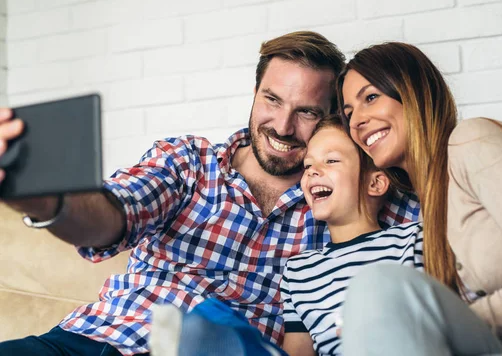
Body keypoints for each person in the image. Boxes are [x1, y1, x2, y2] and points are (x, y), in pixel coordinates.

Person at [0, 32, 421, 356]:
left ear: (331, 119)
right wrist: (43, 200)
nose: (282, 125)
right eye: (272, 100)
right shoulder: (187, 161)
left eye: (307, 111)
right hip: (105, 340)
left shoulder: (349, 193)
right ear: (255, 95)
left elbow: (443, 229)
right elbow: (113, 213)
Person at [336, 42, 502, 355]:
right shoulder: (432, 205)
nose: (356, 121)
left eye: (370, 97)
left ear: (414, 93)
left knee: (376, 286)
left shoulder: (473, 141)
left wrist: (437, 320)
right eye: (349, 113)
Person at [281, 115, 423, 356]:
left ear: (376, 183)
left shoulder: (411, 240)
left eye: (331, 160)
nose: (313, 172)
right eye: (307, 165)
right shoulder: (298, 272)